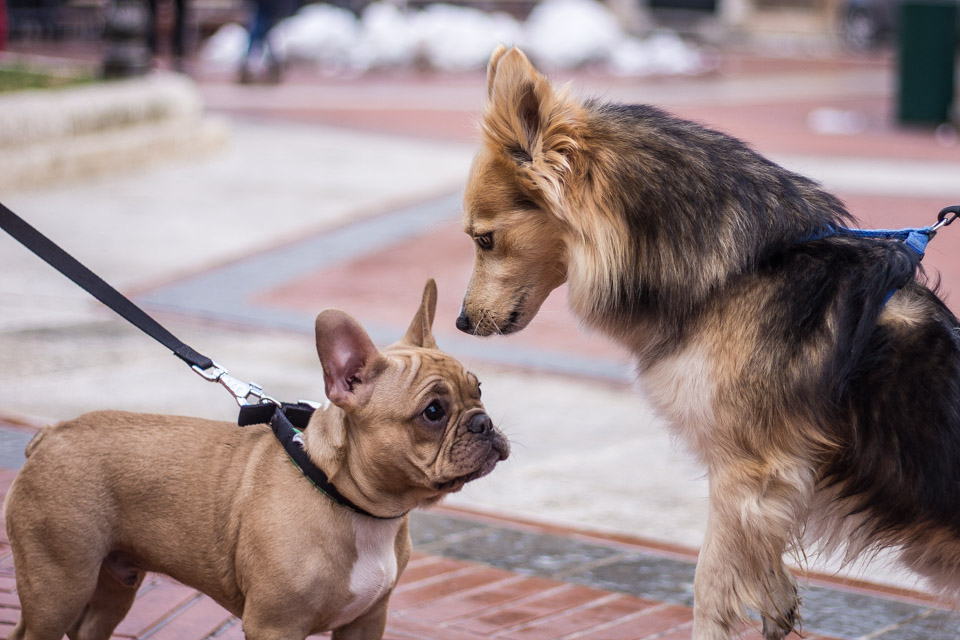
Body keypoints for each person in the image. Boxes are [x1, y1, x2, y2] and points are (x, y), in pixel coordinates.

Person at [238, 0, 295, 83]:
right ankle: (250, 68)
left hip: (268, 10)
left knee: (264, 35)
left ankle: (252, 68)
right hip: (265, 10)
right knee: (262, 34)